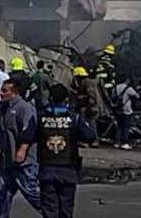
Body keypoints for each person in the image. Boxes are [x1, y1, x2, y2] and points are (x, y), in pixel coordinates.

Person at [39, 83, 97, 218]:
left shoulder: (40, 116)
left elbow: (27, 136)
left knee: (49, 210)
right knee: (66, 210)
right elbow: (90, 136)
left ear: (50, 99)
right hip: (68, 170)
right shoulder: (74, 118)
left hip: (47, 169)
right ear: (66, 100)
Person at [0, 79, 41, 218]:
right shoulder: (4, 108)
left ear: (14, 92)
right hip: (6, 160)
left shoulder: (24, 108)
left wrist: (22, 149)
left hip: (23, 162)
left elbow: (31, 131)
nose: (1, 94)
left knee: (31, 191)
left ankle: (51, 213)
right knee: (2, 191)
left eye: (5, 91)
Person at [72, 66, 101, 147]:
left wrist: (82, 99)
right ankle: (91, 140)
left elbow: (91, 95)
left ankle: (93, 140)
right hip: (90, 107)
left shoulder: (86, 82)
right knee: (90, 124)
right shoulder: (87, 82)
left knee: (90, 124)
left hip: (90, 107)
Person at [113, 75, 139, 150]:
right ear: (126, 80)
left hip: (118, 110)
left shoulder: (115, 88)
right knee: (126, 127)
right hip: (127, 110)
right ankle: (125, 142)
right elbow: (137, 96)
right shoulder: (129, 88)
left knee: (119, 127)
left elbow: (113, 97)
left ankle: (117, 142)